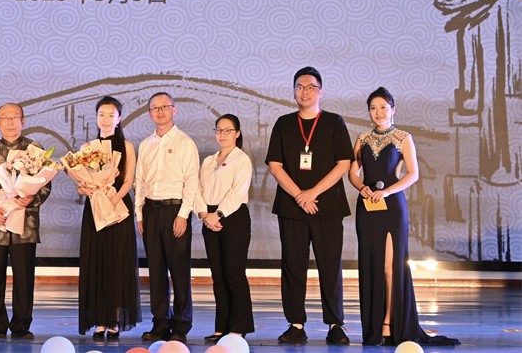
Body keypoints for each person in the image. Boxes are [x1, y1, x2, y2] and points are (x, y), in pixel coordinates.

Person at [349, 87, 460, 346]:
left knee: (390, 267)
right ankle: (374, 326)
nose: (378, 113)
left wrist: (387, 191)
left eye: (383, 108)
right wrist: (361, 187)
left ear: (393, 110)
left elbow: (413, 174)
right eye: (373, 108)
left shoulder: (403, 138)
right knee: (372, 266)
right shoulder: (362, 139)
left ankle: (390, 322)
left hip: (392, 206)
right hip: (367, 207)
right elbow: (353, 173)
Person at [265, 67, 352, 345]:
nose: (305, 91)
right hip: (291, 207)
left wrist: (312, 193)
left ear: (320, 92)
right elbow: (275, 165)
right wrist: (299, 196)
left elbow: (343, 163)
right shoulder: (283, 123)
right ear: (293, 91)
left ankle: (335, 324)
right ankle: (295, 324)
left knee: (330, 266)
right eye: (300, 87)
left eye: (311, 87)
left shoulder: (334, 122)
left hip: (328, 206)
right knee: (293, 266)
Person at [0, 102, 52, 340]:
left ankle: (21, 326)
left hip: (25, 225)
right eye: (4, 118)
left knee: (24, 277)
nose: (9, 122)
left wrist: (32, 198)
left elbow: (46, 185)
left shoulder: (35, 151)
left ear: (22, 121)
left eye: (14, 117)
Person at [135, 92, 199, 344]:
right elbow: (140, 182)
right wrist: (139, 215)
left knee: (179, 270)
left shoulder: (185, 142)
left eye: (164, 107)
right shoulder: (146, 144)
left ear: (174, 109)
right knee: (156, 270)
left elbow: (191, 181)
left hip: (175, 211)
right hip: (151, 211)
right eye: (154, 108)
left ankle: (181, 324)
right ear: (149, 113)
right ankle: (160, 321)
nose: (160, 111)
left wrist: (183, 215)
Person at [78, 96, 141, 340]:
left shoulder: (126, 146)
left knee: (117, 262)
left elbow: (128, 181)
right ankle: (99, 320)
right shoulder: (88, 147)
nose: (105, 119)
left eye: (111, 115)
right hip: (95, 209)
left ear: (119, 118)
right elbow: (81, 182)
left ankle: (114, 319)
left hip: (117, 207)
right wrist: (85, 189)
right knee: (97, 261)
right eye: (101, 114)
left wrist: (112, 200)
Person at [195, 114, 255, 343]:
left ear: (237, 133)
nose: (222, 134)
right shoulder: (209, 161)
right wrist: (204, 214)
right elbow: (197, 190)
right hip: (208, 217)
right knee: (218, 276)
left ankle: (238, 327)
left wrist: (218, 214)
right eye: (219, 130)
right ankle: (221, 327)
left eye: (228, 130)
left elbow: (237, 193)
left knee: (234, 274)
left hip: (232, 217)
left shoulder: (242, 159)